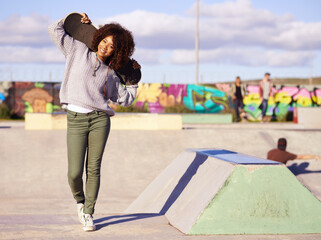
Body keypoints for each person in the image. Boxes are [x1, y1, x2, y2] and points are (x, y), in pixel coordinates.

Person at [48, 13, 139, 232]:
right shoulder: (77, 51)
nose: (106, 47)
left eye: (112, 47)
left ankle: (89, 213)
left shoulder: (112, 72)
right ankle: (80, 202)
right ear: (98, 38)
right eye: (104, 41)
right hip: (76, 119)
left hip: (100, 120)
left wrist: (133, 82)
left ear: (117, 52)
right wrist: (70, 18)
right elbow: (54, 31)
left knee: (94, 169)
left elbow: (124, 99)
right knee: (74, 173)